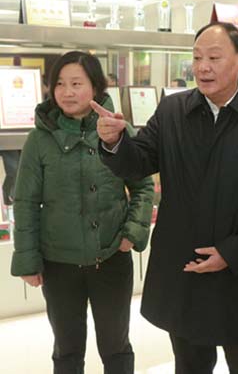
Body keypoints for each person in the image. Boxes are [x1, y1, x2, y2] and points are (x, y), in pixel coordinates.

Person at [91, 21, 238, 374]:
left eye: (214, 57)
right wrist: (114, 141)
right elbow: (139, 161)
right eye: (197, 57)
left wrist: (232, 252)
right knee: (189, 365)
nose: (203, 67)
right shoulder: (173, 110)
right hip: (186, 270)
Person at [10, 51, 154, 374]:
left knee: (116, 347)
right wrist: (28, 259)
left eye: (76, 83)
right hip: (59, 264)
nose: (67, 92)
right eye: (60, 84)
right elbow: (26, 202)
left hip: (111, 258)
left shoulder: (117, 130)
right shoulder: (39, 140)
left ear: (96, 87)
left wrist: (131, 234)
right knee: (67, 350)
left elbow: (144, 186)